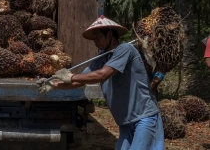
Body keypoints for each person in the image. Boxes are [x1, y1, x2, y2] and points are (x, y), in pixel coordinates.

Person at [37, 15, 164, 150]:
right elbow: (81, 80)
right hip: (126, 122)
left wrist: (71, 76)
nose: (95, 41)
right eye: (94, 38)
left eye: (98, 37)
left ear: (109, 35)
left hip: (144, 117)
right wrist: (54, 85)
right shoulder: (101, 59)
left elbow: (102, 74)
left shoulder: (125, 49)